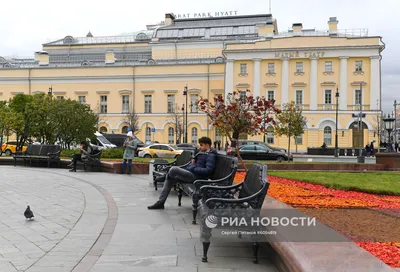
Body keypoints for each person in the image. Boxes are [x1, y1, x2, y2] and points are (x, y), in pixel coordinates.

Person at [148, 136, 217, 210]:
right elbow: (192, 164)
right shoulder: (202, 153)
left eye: (201, 145)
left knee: (173, 169)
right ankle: (160, 202)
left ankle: (165, 176)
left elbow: (208, 171)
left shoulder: (210, 155)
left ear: (207, 145)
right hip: (191, 173)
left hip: (197, 178)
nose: (199, 147)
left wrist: (193, 167)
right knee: (170, 179)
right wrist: (193, 164)